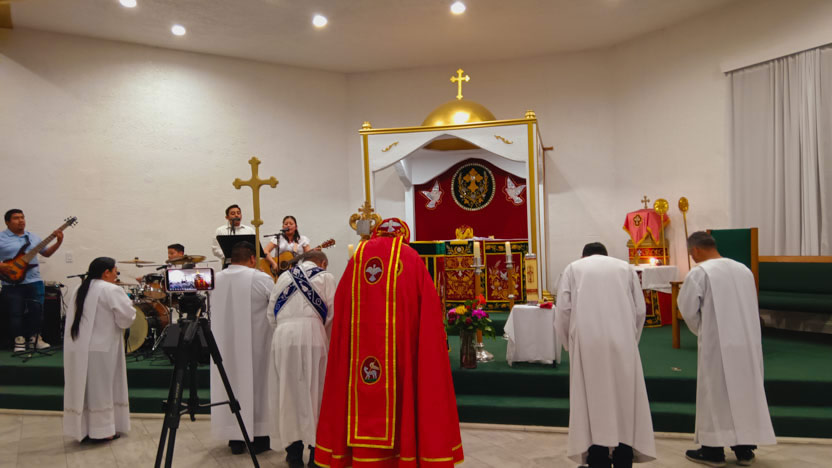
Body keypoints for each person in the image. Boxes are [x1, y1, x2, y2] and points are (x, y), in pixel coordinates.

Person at [314, 218, 464, 468]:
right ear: (404, 238)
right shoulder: (411, 258)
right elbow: (429, 313)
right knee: (403, 392)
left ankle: (360, 457)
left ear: (376, 234)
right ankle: (404, 455)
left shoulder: (357, 260)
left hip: (359, 357)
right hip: (401, 353)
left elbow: (341, 306)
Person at [677, 232, 776, 467]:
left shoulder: (700, 272)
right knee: (745, 392)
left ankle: (712, 451)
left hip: (718, 343)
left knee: (716, 394)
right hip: (747, 342)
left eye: (691, 253)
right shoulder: (744, 270)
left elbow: (687, 309)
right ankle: (745, 450)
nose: (692, 257)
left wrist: (703, 330)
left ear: (696, 250)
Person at [555, 242, 656, 468]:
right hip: (622, 341)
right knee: (624, 398)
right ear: (606, 255)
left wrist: (569, 344)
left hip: (587, 343)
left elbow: (563, 310)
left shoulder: (574, 268)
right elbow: (640, 310)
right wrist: (631, 338)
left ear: (583, 256)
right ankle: (623, 456)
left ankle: (598, 457)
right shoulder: (625, 268)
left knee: (591, 400)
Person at [267, 250, 336, 468]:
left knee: (288, 394)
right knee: (316, 392)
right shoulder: (326, 276)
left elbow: (271, 314)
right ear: (322, 263)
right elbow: (332, 314)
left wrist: (285, 332)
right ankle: (316, 454)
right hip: (313, 335)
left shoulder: (283, 278)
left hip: (283, 337)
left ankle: (293, 454)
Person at [210, 241, 274, 455]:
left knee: (228, 384)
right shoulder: (261, 278)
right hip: (256, 345)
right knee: (257, 386)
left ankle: (234, 439)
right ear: (253, 259)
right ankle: (259, 438)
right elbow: (276, 306)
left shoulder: (215, 279)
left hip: (223, 346)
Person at [63, 257, 136, 442]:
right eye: (115, 271)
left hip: (78, 347)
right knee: (101, 390)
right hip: (103, 348)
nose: (116, 275)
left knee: (84, 389)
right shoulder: (111, 289)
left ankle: (84, 429)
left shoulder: (79, 288)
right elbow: (126, 318)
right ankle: (104, 431)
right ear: (106, 272)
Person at [0, 209, 64, 351]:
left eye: (22, 217)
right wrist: (2, 266)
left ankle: (35, 338)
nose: (21, 220)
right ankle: (19, 340)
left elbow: (46, 253)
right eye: (16, 218)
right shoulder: (1, 238)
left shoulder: (33, 237)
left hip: (34, 281)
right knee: (15, 313)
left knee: (37, 311)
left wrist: (59, 241)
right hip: (11, 282)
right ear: (7, 222)